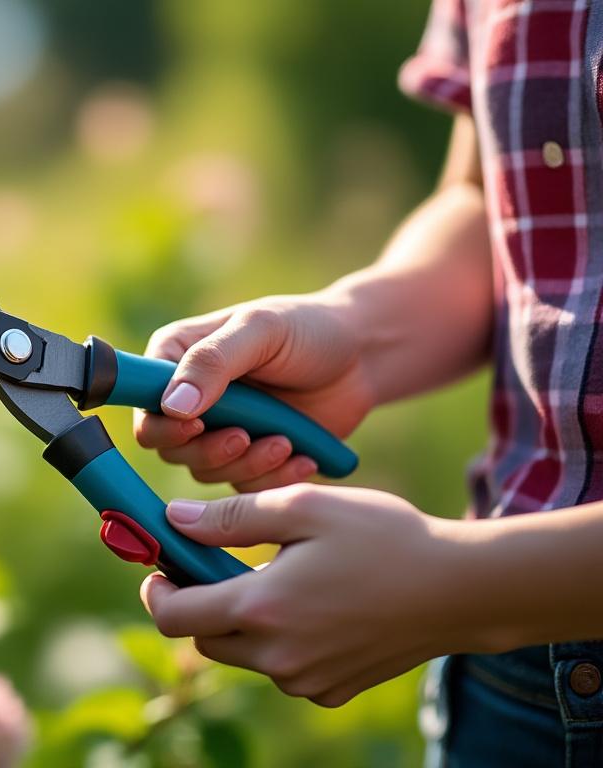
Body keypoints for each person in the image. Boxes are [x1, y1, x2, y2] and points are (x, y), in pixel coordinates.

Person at [132, 0, 603, 765]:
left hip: (480, 600)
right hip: (506, 691)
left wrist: (458, 586)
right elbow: (498, 203)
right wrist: (355, 336)